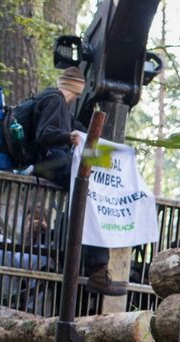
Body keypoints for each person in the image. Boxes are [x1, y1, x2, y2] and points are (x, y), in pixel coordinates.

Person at [25, 67, 115, 296]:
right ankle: (96, 268)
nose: (76, 98)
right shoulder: (55, 100)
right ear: (75, 88)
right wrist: (68, 137)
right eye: (77, 94)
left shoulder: (56, 104)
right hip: (49, 163)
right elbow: (45, 135)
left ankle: (89, 262)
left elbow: (80, 128)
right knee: (90, 192)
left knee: (85, 195)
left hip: (50, 162)